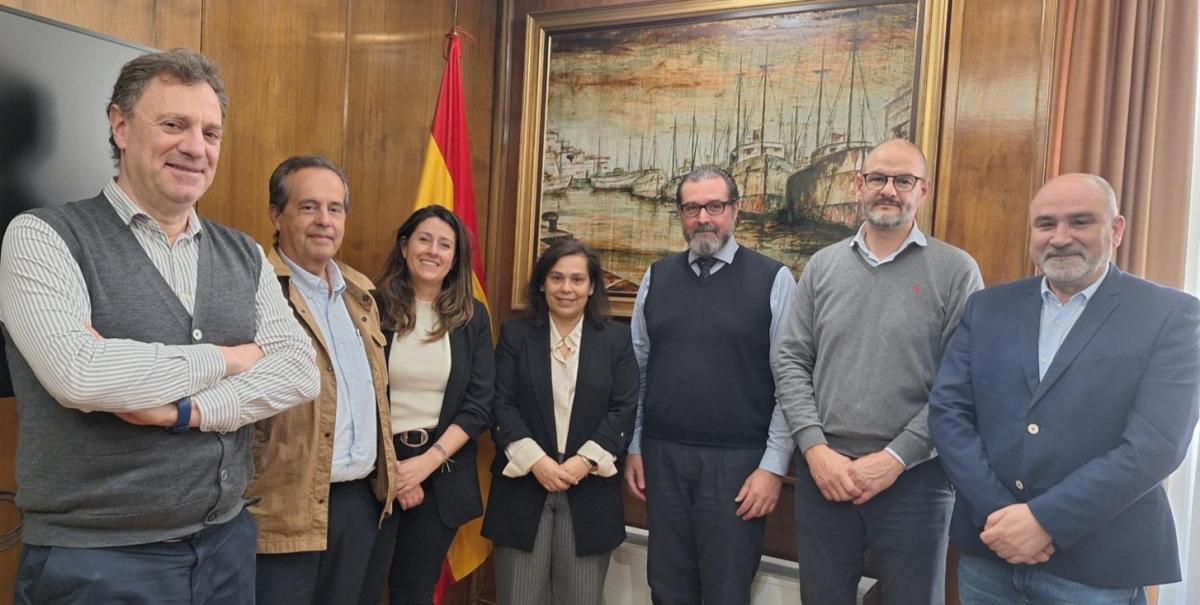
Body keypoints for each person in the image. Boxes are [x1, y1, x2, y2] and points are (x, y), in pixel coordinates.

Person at [0, 49, 319, 604]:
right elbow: (81, 375)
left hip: (226, 544)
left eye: (211, 132)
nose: (196, 147)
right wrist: (231, 358)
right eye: (174, 124)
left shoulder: (242, 253)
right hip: (98, 560)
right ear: (120, 126)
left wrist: (185, 411)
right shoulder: (41, 237)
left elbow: (298, 372)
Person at [928, 173, 1200, 604]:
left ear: (1116, 230)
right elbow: (948, 413)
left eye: (1079, 222)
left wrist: (1043, 521)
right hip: (990, 555)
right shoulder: (988, 308)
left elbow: (1157, 444)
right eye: (1045, 224)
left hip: (1096, 569)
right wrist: (1003, 517)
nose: (1060, 237)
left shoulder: (1171, 315)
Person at [775, 138, 983, 604]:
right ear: (858, 185)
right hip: (824, 473)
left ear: (922, 191)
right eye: (877, 178)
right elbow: (790, 360)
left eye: (903, 180)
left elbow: (961, 383)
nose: (888, 190)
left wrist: (895, 458)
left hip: (916, 481)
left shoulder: (956, 271)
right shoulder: (823, 266)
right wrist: (814, 448)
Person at [624, 165, 795, 604]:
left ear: (735, 210)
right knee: (666, 588)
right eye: (692, 207)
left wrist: (773, 467)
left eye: (715, 206)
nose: (704, 218)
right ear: (680, 214)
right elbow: (639, 370)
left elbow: (791, 381)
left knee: (726, 591)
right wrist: (637, 445)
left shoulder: (773, 280)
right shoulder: (656, 278)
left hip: (739, 466)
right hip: (663, 459)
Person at [248, 155, 399, 604]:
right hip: (282, 507)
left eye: (335, 209)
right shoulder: (254, 289)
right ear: (277, 214)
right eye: (308, 207)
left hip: (360, 503)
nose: (324, 221)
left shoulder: (361, 292)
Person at [483, 240, 638, 605]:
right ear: (541, 283)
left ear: (592, 286)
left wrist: (582, 462)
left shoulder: (616, 340)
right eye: (556, 278)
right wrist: (537, 462)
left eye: (577, 280)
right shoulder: (515, 335)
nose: (566, 289)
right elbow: (500, 403)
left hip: (589, 494)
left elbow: (624, 408)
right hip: (523, 489)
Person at [359, 204, 494, 605]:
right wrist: (396, 472)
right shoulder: (371, 307)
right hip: (373, 471)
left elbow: (480, 403)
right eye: (424, 239)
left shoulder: (473, 318)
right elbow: (357, 394)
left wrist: (424, 465)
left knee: (414, 591)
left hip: (442, 472)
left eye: (445, 244)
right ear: (404, 246)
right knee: (361, 586)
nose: (433, 251)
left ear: (455, 258)